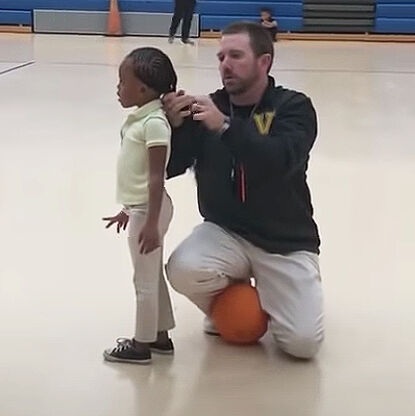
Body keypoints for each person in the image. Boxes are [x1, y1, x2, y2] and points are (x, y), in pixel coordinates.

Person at [162, 22, 324, 359]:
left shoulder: (294, 108)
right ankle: (232, 301)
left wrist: (224, 126)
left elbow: (277, 161)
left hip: (284, 242)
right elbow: (168, 168)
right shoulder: (205, 108)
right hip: (226, 232)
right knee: (183, 267)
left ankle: (274, 294)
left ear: (264, 62)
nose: (225, 64)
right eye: (221, 56)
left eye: (236, 55)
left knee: (302, 345)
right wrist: (172, 129)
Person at [102, 47, 177, 364]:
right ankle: (160, 335)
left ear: (144, 89)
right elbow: (137, 175)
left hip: (151, 210)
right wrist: (128, 209)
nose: (118, 87)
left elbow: (156, 178)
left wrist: (148, 221)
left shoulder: (154, 124)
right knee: (152, 275)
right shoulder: (141, 118)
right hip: (142, 208)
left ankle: (140, 345)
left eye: (123, 82)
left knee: (142, 280)